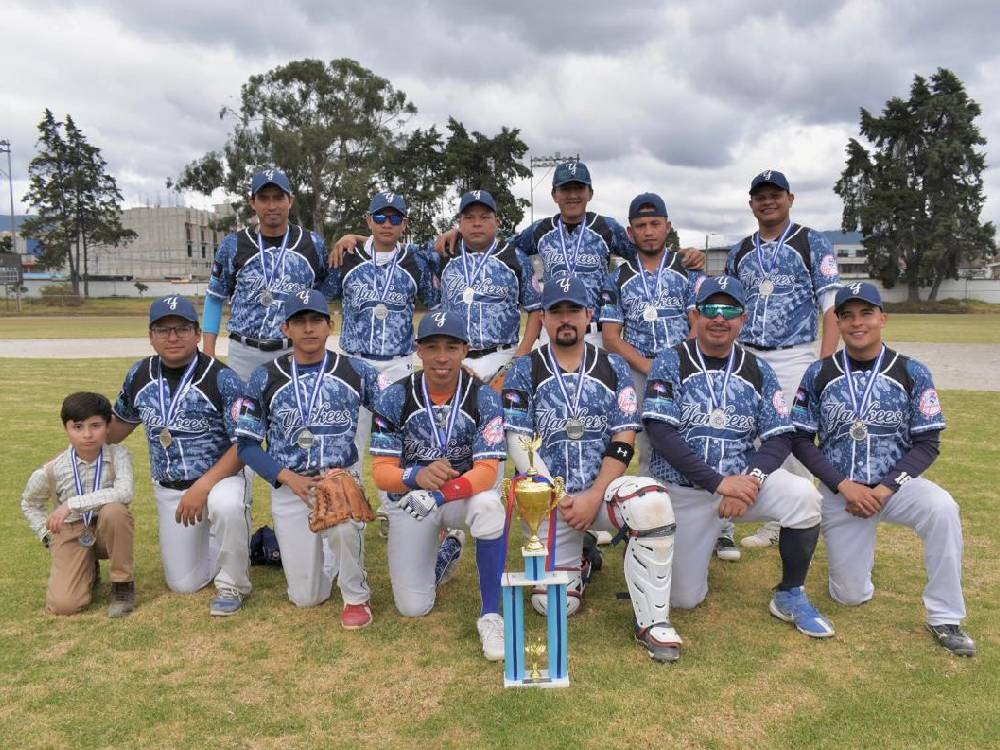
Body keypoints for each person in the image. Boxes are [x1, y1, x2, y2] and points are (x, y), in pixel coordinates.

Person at [642, 275, 835, 639]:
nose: (719, 318)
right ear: (695, 316)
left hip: (743, 486)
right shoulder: (671, 360)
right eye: (710, 309)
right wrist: (719, 483)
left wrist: (750, 481)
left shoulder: (758, 368)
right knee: (684, 600)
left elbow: (781, 436)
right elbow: (660, 432)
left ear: (743, 319)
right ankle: (687, 554)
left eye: (729, 309)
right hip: (686, 492)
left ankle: (790, 593)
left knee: (804, 496)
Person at [502, 276, 681, 663]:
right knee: (553, 606)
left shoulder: (613, 366)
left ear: (589, 316)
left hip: (601, 492)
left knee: (651, 502)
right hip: (552, 500)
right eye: (555, 311)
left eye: (572, 311)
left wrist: (593, 495)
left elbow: (624, 435)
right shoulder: (524, 368)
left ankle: (653, 622)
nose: (564, 319)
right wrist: (563, 497)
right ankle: (580, 559)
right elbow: (518, 440)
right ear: (543, 318)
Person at [792, 282, 974, 657]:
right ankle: (857, 565)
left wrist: (886, 487)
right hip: (843, 492)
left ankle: (945, 615)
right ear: (838, 324)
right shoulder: (819, 373)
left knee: (942, 508)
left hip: (897, 488)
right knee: (849, 597)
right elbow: (800, 440)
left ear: (882, 318)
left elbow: (928, 443)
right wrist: (843, 486)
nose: (857, 323)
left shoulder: (911, 371)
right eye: (848, 315)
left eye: (866, 313)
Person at [435, 162, 706, 348]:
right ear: (554, 194)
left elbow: (647, 251)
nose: (573, 195)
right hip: (554, 329)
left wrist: (683, 254)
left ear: (590, 192)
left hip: (597, 332)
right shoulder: (541, 230)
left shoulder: (606, 228)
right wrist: (458, 232)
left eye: (579, 188)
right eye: (566, 189)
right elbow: (500, 248)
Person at [236, 290, 382, 628]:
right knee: (307, 597)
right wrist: (287, 477)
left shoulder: (355, 370)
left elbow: (395, 410)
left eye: (315, 320)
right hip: (291, 487)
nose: (308, 328)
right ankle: (330, 554)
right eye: (299, 322)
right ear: (285, 328)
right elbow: (246, 445)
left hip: (338, 481)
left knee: (343, 526)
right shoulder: (264, 376)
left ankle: (355, 595)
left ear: (330, 325)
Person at [370, 311, 508, 660]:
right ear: (418, 350)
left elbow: (488, 471)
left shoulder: (485, 397)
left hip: (461, 495)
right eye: (432, 347)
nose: (442, 357)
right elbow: (381, 471)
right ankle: (446, 553)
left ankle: (491, 614)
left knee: (491, 508)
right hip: (411, 499)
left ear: (466, 349)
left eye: (451, 347)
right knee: (412, 607)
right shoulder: (396, 396)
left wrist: (440, 491)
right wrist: (415, 476)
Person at [720, 169, 842, 557]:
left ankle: (785, 521)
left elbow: (831, 306)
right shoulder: (740, 250)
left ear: (790, 198)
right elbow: (725, 301)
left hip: (793, 354)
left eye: (775, 194)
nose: (768, 201)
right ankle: (721, 520)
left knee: (789, 438)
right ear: (751, 203)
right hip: (746, 353)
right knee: (733, 431)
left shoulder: (811, 241)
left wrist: (825, 362)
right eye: (760, 196)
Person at [110, 295, 252, 616]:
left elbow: (244, 444)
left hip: (220, 479)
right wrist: (84, 435)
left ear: (197, 334)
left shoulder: (222, 378)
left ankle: (233, 583)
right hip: (170, 489)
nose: (172, 337)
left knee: (227, 505)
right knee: (183, 584)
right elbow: (119, 425)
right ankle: (225, 544)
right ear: (151, 336)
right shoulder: (139, 375)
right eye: (163, 329)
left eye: (181, 329)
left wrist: (203, 486)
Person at [325, 190, 439, 531]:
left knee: (395, 440)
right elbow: (323, 296)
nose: (386, 224)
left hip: (398, 362)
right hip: (354, 361)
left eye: (394, 218)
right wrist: (350, 239)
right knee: (352, 439)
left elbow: (434, 301)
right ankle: (352, 506)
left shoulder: (415, 260)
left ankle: (395, 509)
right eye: (380, 217)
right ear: (368, 220)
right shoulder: (347, 256)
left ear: (405, 223)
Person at [600, 192, 700, 477]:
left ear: (667, 227)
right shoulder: (617, 278)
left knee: (693, 439)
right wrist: (649, 367)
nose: (649, 232)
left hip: (686, 368)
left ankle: (716, 518)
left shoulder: (688, 269)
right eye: (641, 226)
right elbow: (610, 336)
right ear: (630, 232)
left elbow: (698, 321)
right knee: (648, 445)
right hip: (640, 371)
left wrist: (678, 363)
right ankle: (651, 515)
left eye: (655, 224)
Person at [201, 168, 331, 382]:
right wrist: (208, 353)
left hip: (293, 353)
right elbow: (215, 298)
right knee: (242, 415)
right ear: (253, 202)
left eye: (279, 197)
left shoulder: (313, 244)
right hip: (244, 354)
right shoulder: (233, 244)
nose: (272, 206)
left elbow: (324, 295)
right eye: (264, 198)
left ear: (290, 200)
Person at [21, 392, 136, 617]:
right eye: (78, 427)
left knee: (115, 511)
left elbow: (125, 492)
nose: (88, 435)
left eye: (96, 425)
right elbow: (29, 504)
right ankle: (88, 569)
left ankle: (123, 586)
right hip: (72, 531)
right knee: (64, 606)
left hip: (107, 527)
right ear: (66, 428)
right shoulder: (52, 470)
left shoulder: (118, 454)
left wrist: (72, 503)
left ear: (108, 426)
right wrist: (46, 535)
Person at [431, 190, 542, 382]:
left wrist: (521, 354)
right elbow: (394, 249)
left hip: (503, 356)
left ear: (497, 221)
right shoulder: (442, 254)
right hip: (456, 358)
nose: (476, 223)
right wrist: (361, 239)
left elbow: (535, 308)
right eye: (469, 217)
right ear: (459, 223)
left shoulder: (516, 257)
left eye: (484, 217)